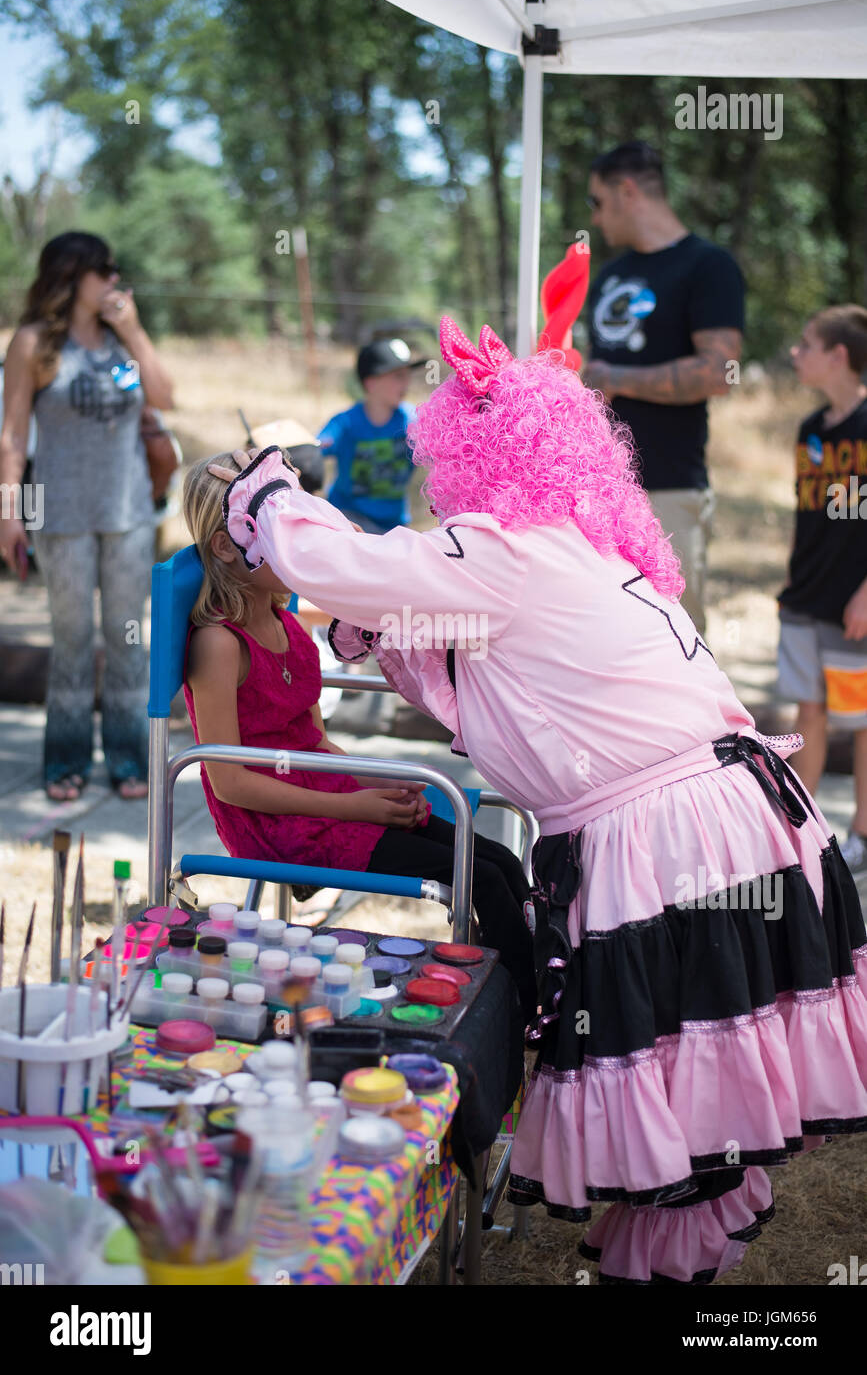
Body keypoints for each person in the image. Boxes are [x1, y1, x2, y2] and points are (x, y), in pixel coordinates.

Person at [211, 316, 867, 1285]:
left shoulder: (505, 552)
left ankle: (667, 1271)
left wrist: (267, 489)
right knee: (700, 1097)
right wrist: (373, 618)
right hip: (732, 828)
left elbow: (354, 568)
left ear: (462, 452)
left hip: (676, 840)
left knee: (685, 1093)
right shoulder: (574, 549)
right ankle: (667, 1264)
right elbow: (480, 658)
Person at [181, 453, 536, 1017]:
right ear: (229, 547)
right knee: (482, 880)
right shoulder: (219, 644)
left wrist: (374, 781)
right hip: (277, 825)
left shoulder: (288, 623)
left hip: (326, 796)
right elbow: (229, 782)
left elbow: (314, 742)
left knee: (499, 860)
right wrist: (357, 807)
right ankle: (521, 1021)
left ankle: (540, 990)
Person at [0, 231, 174, 800]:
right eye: (105, 270)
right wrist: (10, 513)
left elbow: (165, 398)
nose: (114, 281)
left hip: (128, 515)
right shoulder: (33, 343)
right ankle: (64, 762)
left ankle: (129, 761)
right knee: (72, 640)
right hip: (59, 515)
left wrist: (135, 331)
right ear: (72, 276)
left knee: (127, 639)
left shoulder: (121, 343)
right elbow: (13, 435)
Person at [582, 141, 745, 637]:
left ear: (627, 191)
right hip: (597, 488)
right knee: (606, 636)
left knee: (677, 637)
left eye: (597, 201)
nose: (595, 216)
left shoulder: (707, 265)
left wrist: (611, 379)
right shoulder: (610, 275)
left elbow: (721, 371)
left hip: (668, 488)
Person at [778, 305, 867, 872]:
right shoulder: (810, 429)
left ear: (838, 355)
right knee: (808, 710)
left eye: (806, 344)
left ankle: (861, 834)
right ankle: (803, 832)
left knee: (859, 720)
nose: (796, 352)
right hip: (804, 599)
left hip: (851, 606)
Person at [317, 338, 424, 534]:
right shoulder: (345, 424)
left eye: (407, 376)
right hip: (348, 522)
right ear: (371, 383)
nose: (406, 383)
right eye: (398, 376)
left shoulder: (413, 422)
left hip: (395, 526)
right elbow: (315, 449)